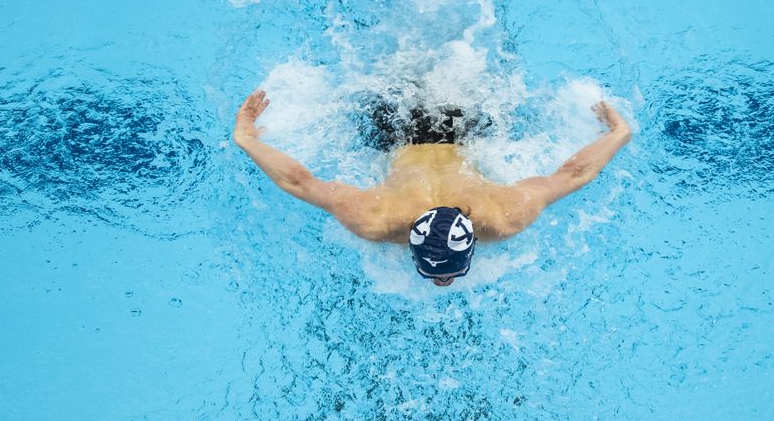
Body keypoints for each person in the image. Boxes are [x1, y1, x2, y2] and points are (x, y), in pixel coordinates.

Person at [231, 89, 632, 286]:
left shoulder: (377, 218)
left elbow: (299, 181)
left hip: (419, 127)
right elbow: (573, 174)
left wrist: (619, 133)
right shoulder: (503, 215)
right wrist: (247, 139)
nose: (443, 283)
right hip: (411, 130)